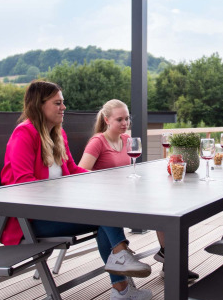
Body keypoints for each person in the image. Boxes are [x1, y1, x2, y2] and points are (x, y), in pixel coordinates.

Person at [0, 80, 153, 300]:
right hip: (30, 220)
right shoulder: (24, 134)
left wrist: (106, 180)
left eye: (63, 103)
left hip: (58, 212)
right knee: (105, 213)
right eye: (57, 103)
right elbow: (23, 185)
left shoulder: (57, 133)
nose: (63, 107)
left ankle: (122, 291)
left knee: (106, 214)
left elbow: (73, 170)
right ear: (39, 105)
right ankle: (121, 260)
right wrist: (67, 196)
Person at [78, 99, 200, 281]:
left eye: (127, 119)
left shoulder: (127, 140)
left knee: (165, 204)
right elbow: (81, 172)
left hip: (125, 195)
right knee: (109, 218)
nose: (125, 123)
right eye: (119, 119)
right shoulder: (98, 142)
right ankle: (157, 262)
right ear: (107, 120)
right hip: (105, 201)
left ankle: (169, 259)